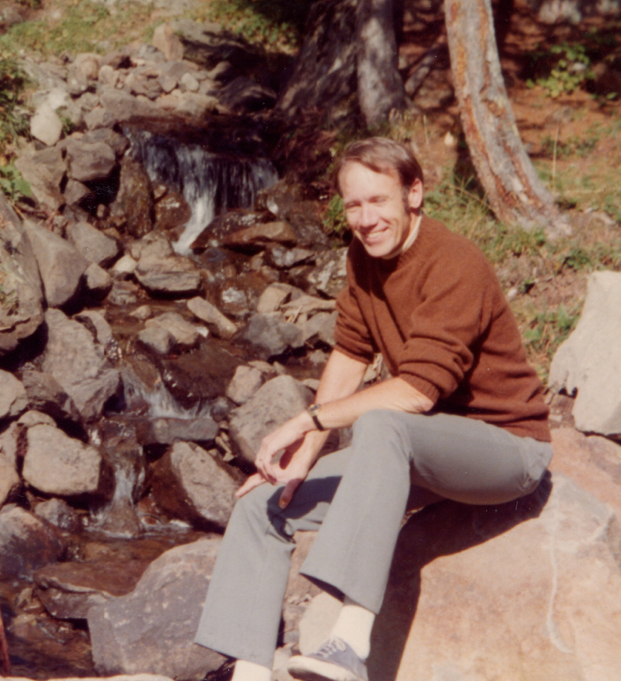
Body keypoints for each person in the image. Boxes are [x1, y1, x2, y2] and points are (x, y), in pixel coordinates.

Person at [193, 137, 552, 681]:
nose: (366, 218)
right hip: (420, 454)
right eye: (354, 205)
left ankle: (349, 643)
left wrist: (305, 420)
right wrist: (304, 459)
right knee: (263, 502)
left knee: (386, 422)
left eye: (378, 201)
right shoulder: (362, 259)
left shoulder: (454, 262)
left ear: (414, 193)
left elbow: (417, 394)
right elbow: (350, 355)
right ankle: (249, 669)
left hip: (504, 451)